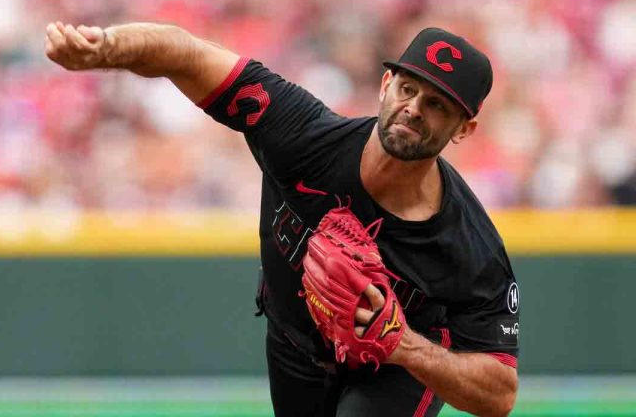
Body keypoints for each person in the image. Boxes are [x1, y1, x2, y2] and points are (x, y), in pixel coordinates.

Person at [45, 21, 520, 417]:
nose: (413, 109)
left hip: (397, 369)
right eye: (408, 88)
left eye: (436, 104)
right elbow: (187, 54)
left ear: (465, 128)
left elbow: (500, 391)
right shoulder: (302, 138)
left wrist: (405, 346)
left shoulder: (469, 246)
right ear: (384, 85)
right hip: (294, 346)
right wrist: (104, 48)